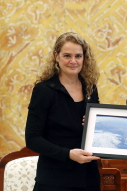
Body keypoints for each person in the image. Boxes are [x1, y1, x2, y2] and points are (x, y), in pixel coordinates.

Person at [25, 32, 101, 191]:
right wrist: (68, 154)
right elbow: (32, 138)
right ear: (56, 56)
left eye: (78, 56)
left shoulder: (90, 89)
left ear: (84, 58)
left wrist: (97, 125)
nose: (73, 61)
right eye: (67, 55)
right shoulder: (44, 90)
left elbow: (96, 134)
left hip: (88, 177)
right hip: (54, 179)